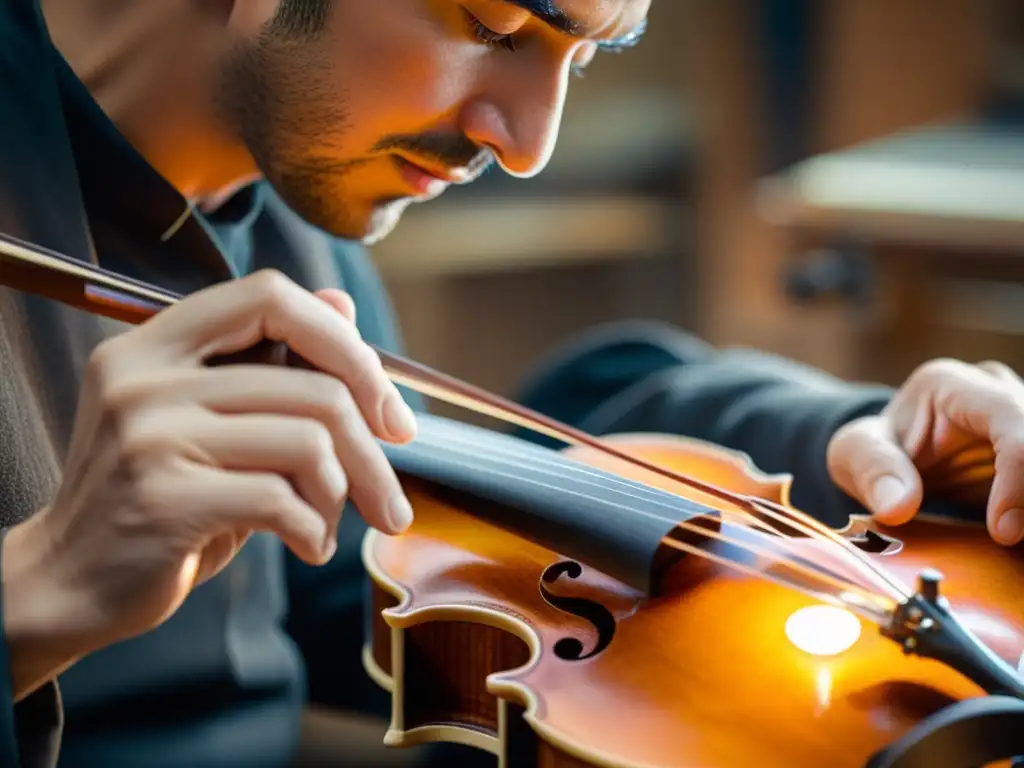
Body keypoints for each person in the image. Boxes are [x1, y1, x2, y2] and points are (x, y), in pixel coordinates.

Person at [0, 0, 1021, 766]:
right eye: (494, 23)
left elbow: (382, 559)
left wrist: (845, 449)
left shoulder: (287, 208)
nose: (528, 144)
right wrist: (42, 589)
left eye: (588, 54)